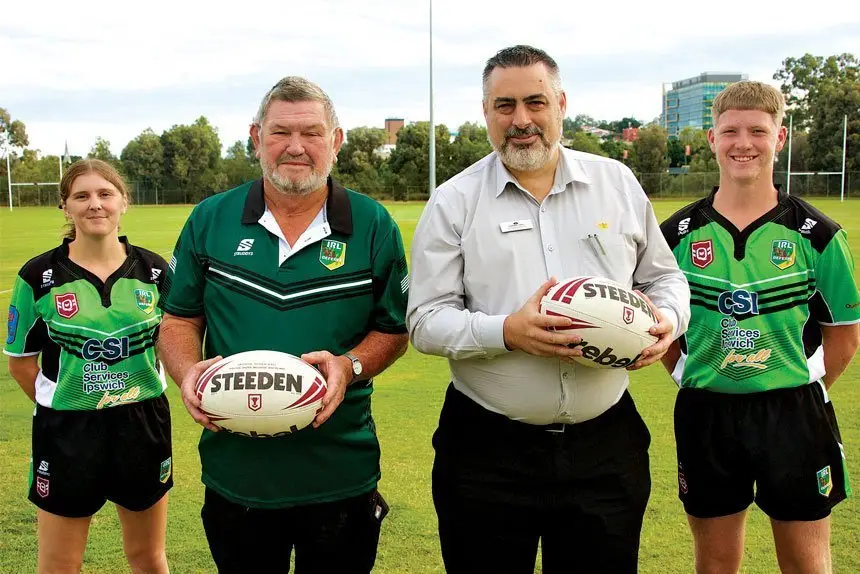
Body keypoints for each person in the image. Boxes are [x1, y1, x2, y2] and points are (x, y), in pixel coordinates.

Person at [406, 45, 691, 573]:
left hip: (605, 445)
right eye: (505, 105)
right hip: (487, 450)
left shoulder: (617, 183)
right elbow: (424, 320)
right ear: (486, 112)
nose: (521, 120)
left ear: (561, 103)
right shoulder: (453, 200)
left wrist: (666, 322)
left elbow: (665, 278)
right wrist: (506, 331)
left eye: (535, 102)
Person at [156, 76, 409, 574]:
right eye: (280, 133)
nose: (296, 147)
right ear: (256, 139)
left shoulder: (373, 223)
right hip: (237, 473)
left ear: (335, 142)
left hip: (340, 469)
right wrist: (189, 374)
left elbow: (394, 330)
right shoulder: (211, 218)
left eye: (312, 133)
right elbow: (178, 319)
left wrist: (351, 365)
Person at [660, 81, 860, 573]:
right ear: (712, 139)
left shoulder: (819, 235)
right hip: (706, 412)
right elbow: (655, 322)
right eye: (730, 130)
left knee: (807, 565)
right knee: (714, 565)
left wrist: (794, 383)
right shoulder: (676, 235)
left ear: (781, 136)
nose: (742, 142)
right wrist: (688, 373)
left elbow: (845, 334)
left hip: (794, 414)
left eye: (757, 130)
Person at [4, 159, 172, 574]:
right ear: (65, 207)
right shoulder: (39, 276)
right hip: (67, 432)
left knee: (148, 557)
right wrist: (66, 401)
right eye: (81, 196)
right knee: (59, 563)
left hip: (142, 423)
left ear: (123, 202)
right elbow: (21, 364)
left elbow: (173, 345)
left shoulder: (154, 272)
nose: (94, 204)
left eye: (105, 193)